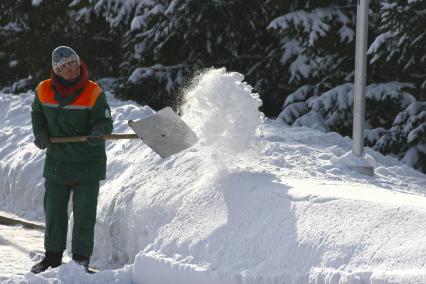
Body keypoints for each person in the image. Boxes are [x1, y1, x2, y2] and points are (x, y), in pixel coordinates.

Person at [30, 46, 113, 273]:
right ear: (56, 70)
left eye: (75, 65)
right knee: (54, 211)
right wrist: (40, 132)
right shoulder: (43, 90)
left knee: (84, 214)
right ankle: (52, 258)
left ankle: (80, 262)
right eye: (66, 68)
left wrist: (98, 130)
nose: (72, 71)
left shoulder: (94, 92)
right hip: (58, 160)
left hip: (87, 162)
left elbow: (105, 121)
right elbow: (37, 112)